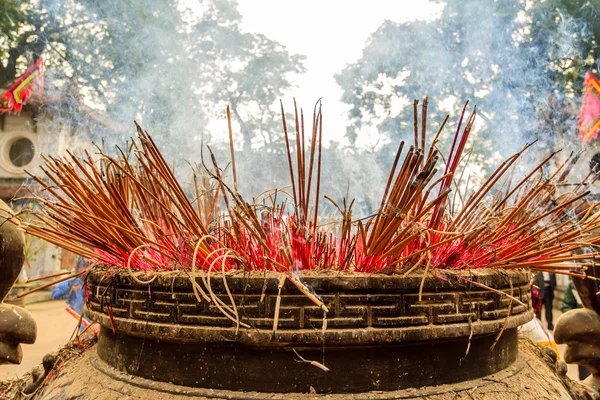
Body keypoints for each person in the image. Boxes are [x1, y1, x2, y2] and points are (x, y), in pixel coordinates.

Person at [562, 279, 592, 381]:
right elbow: (566, 306)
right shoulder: (574, 284)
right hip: (583, 335)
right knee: (585, 373)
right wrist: (577, 321)